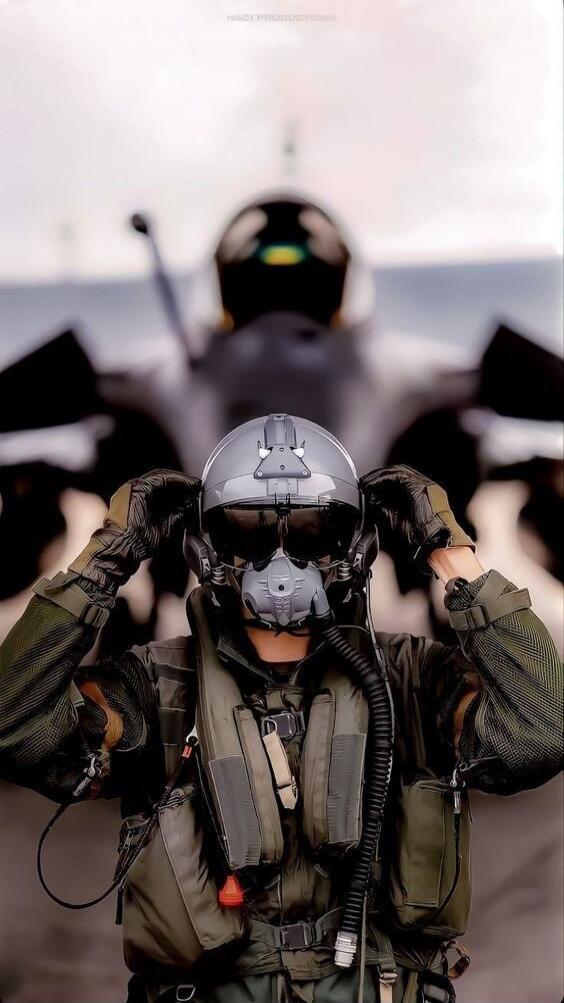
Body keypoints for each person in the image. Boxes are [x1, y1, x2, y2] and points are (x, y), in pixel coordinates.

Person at [0, 413, 561, 1003]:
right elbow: (14, 729)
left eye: (315, 530)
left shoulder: (413, 681)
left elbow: (543, 732)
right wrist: (104, 561)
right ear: (204, 545)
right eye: (248, 530)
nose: (281, 563)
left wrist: (450, 554)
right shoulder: (155, 688)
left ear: (356, 543)